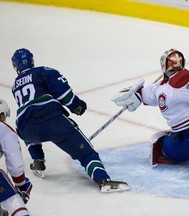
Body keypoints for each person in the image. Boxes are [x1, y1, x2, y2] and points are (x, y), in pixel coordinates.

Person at [11, 48, 129, 192]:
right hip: (53, 122)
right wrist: (76, 105)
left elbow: (30, 110)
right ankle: (103, 180)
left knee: (24, 123)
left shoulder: (15, 86)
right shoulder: (42, 71)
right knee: (87, 153)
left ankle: (38, 161)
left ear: (16, 66)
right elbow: (62, 91)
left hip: (27, 129)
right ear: (32, 60)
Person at [0, 97, 32, 216]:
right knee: (13, 200)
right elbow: (15, 164)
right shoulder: (2, 127)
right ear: (2, 114)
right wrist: (21, 185)